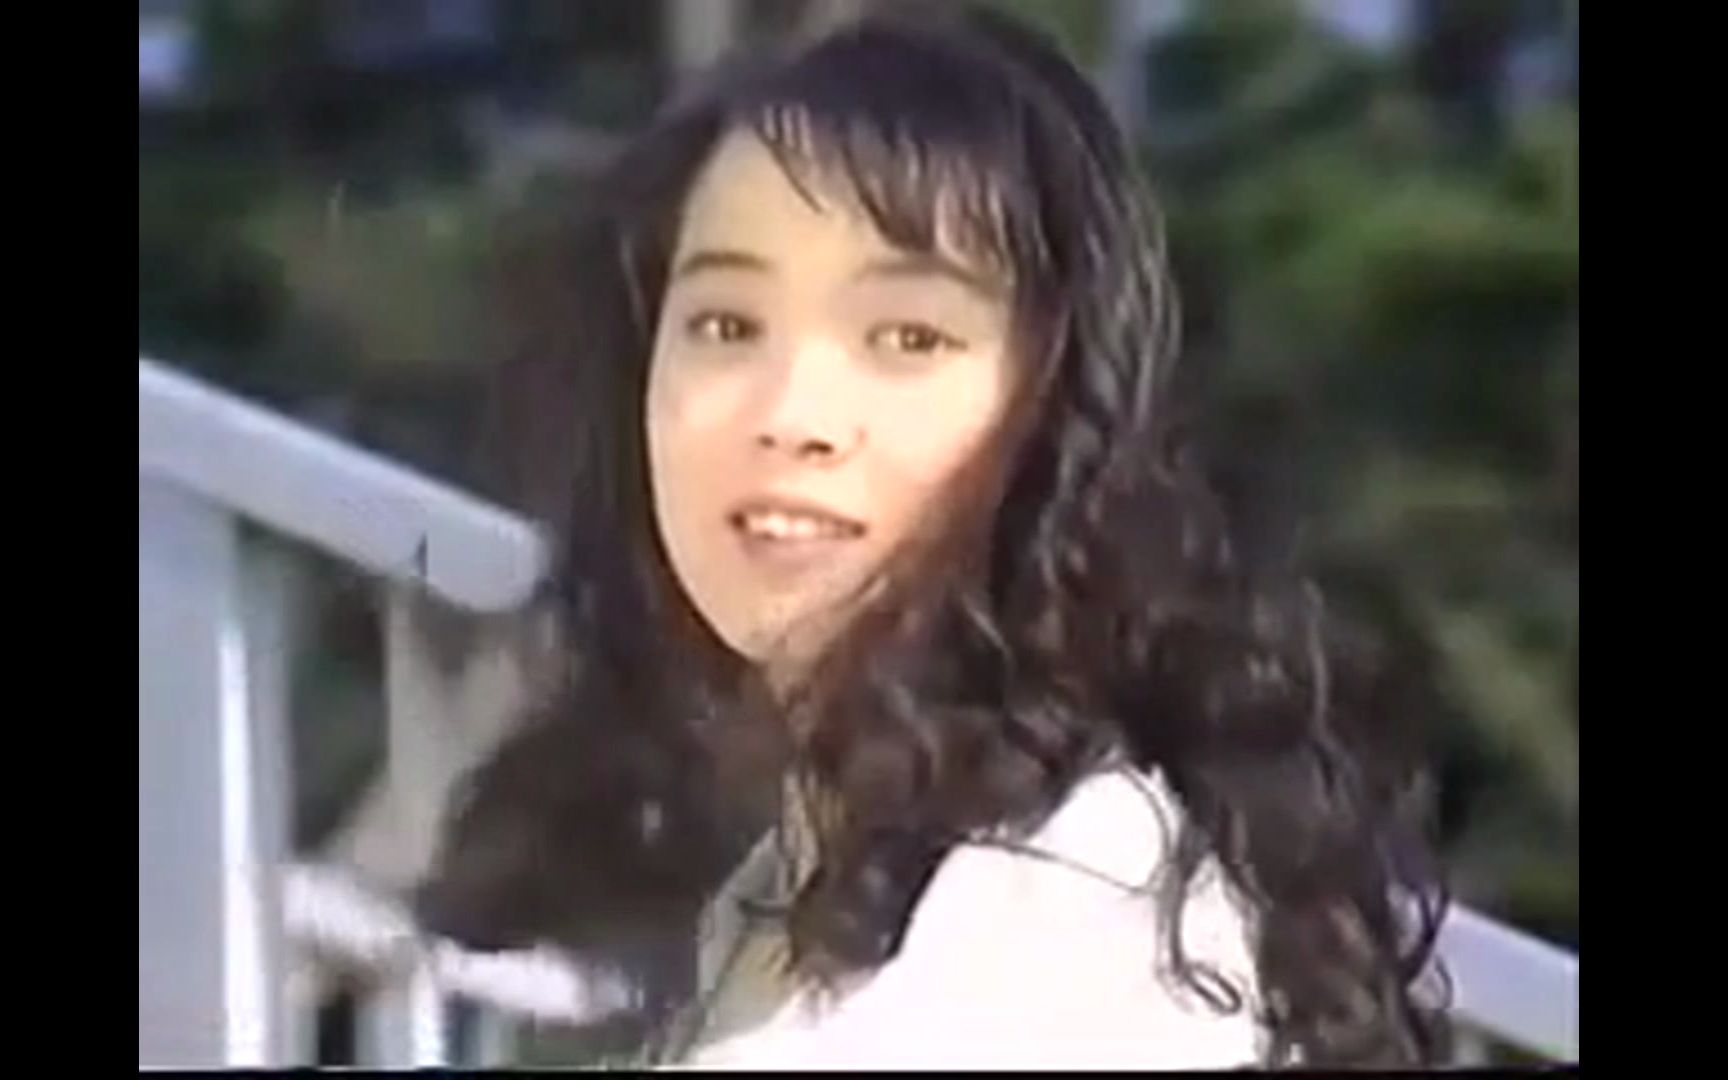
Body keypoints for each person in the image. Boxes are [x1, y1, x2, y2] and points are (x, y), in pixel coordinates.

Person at [415, 3, 1450, 1068]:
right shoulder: (795, 874)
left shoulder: (1077, 901)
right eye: (726, 325)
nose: (792, 413)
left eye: (908, 337)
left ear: (1057, 412)